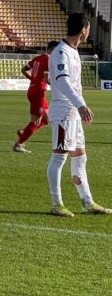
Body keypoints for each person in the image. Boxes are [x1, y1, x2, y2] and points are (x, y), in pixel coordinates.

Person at [46, 13, 110, 217]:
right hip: (64, 111)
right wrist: (82, 105)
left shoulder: (72, 51)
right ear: (84, 29)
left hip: (73, 113)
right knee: (59, 157)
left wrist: (79, 108)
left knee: (80, 157)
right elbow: (63, 82)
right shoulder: (61, 52)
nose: (89, 32)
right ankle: (57, 204)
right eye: (88, 28)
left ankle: (87, 202)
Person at [14, 41, 59, 153]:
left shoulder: (37, 58)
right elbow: (46, 77)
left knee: (47, 119)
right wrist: (56, 86)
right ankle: (19, 144)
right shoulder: (49, 60)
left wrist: (33, 80)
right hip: (38, 92)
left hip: (34, 90)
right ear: (53, 49)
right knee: (36, 121)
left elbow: (24, 69)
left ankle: (24, 132)